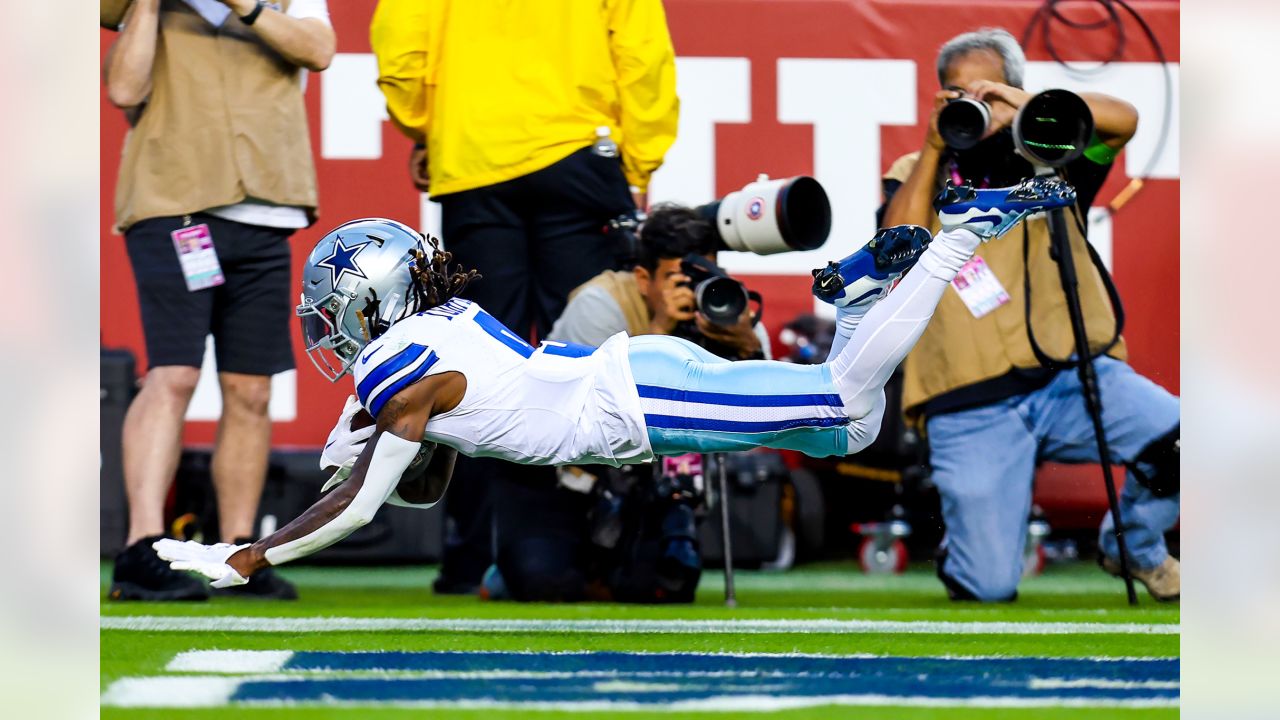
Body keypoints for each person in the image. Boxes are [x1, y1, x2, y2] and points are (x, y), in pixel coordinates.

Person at [152, 178, 1078, 587]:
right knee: (850, 432)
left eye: (335, 307)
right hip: (637, 394)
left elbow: (364, 507)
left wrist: (249, 556)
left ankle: (960, 234)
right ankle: (862, 286)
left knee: (842, 399)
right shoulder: (439, 329)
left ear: (373, 299)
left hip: (636, 398)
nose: (328, 328)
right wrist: (363, 437)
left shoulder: (400, 376)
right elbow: (428, 475)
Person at [368, 0, 679, 594]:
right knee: (597, 366)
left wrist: (430, 123)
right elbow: (644, 58)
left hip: (474, 159)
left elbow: (401, 52)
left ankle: (470, 562)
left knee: (464, 369)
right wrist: (638, 162)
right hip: (580, 157)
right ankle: (601, 552)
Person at [880, 28, 1180, 602]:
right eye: (956, 92)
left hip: (1074, 377)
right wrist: (937, 144)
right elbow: (898, 242)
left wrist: (1026, 109)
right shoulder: (917, 168)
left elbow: (1125, 120)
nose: (972, 102)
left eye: (984, 91)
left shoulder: (1056, 153)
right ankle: (967, 546)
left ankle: (1133, 547)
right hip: (969, 401)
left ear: (1015, 90)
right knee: (988, 586)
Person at [104, 0, 335, 600]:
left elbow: (320, 48)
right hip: (174, 204)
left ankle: (238, 554)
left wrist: (246, 6)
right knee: (174, 374)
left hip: (266, 207)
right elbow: (125, 88)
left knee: (251, 388)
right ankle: (142, 548)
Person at [548, 204, 768, 360]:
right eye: (679, 279)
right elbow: (589, 404)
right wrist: (659, 332)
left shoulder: (724, 304)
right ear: (644, 279)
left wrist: (748, 346)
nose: (692, 292)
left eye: (702, 277)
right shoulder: (599, 305)